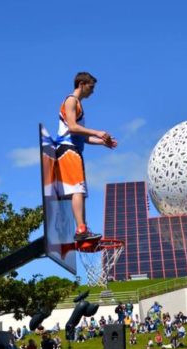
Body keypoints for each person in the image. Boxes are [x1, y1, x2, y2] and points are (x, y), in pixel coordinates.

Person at [55, 72, 118, 242]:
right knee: (77, 189)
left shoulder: (79, 105)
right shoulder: (71, 101)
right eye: (91, 87)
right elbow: (73, 128)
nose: (92, 91)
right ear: (81, 84)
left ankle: (83, 227)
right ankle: (81, 229)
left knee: (81, 192)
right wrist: (97, 131)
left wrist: (102, 142)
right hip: (67, 150)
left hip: (75, 150)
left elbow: (82, 136)